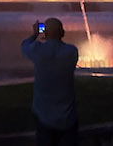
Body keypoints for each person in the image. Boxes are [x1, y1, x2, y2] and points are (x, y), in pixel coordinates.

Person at [21, 18, 79, 146]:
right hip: (68, 117)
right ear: (63, 33)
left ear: (45, 33)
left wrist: (35, 34)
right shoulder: (72, 52)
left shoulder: (38, 50)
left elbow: (24, 45)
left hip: (44, 115)